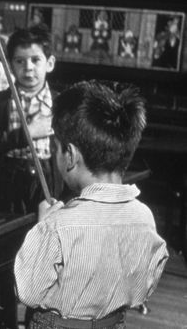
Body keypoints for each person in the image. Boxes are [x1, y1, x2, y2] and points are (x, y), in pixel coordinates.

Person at [14, 81, 169, 328]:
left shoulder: (57, 225)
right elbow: (145, 287)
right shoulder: (145, 216)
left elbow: (28, 291)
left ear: (71, 156)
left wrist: (42, 227)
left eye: (56, 148)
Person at [0, 25, 65, 214]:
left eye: (35, 60)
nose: (28, 68)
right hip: (6, 182)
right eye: (20, 61)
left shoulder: (60, 103)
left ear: (49, 63)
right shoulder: (0, 101)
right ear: (10, 65)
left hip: (47, 181)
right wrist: (28, 133)